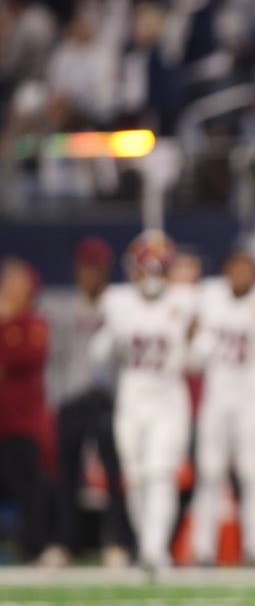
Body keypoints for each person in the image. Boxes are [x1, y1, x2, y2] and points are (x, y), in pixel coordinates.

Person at [90, 230, 198, 572]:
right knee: (135, 477)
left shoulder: (186, 301)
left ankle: (155, 549)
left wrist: (194, 341)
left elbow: (196, 357)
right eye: (145, 265)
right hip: (132, 399)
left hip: (168, 398)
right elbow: (97, 356)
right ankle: (146, 544)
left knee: (160, 473)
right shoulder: (117, 302)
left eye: (158, 266)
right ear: (132, 268)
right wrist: (112, 332)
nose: (151, 273)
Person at [189, 250, 255, 566]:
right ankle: (202, 548)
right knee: (210, 471)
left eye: (247, 270)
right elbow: (193, 341)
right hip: (218, 396)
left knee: (254, 472)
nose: (241, 276)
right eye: (236, 269)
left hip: (252, 397)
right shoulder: (210, 297)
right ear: (226, 272)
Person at [40, 237, 132, 568]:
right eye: (86, 267)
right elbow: (54, 358)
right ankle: (66, 542)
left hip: (109, 399)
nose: (91, 274)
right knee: (67, 476)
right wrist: (55, 400)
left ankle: (118, 541)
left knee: (114, 475)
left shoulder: (120, 305)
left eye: (97, 267)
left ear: (106, 269)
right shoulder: (63, 308)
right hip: (72, 399)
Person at [0, 257, 49, 562]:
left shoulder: (34, 324)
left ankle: (35, 551)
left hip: (22, 424)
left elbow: (24, 356)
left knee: (28, 489)